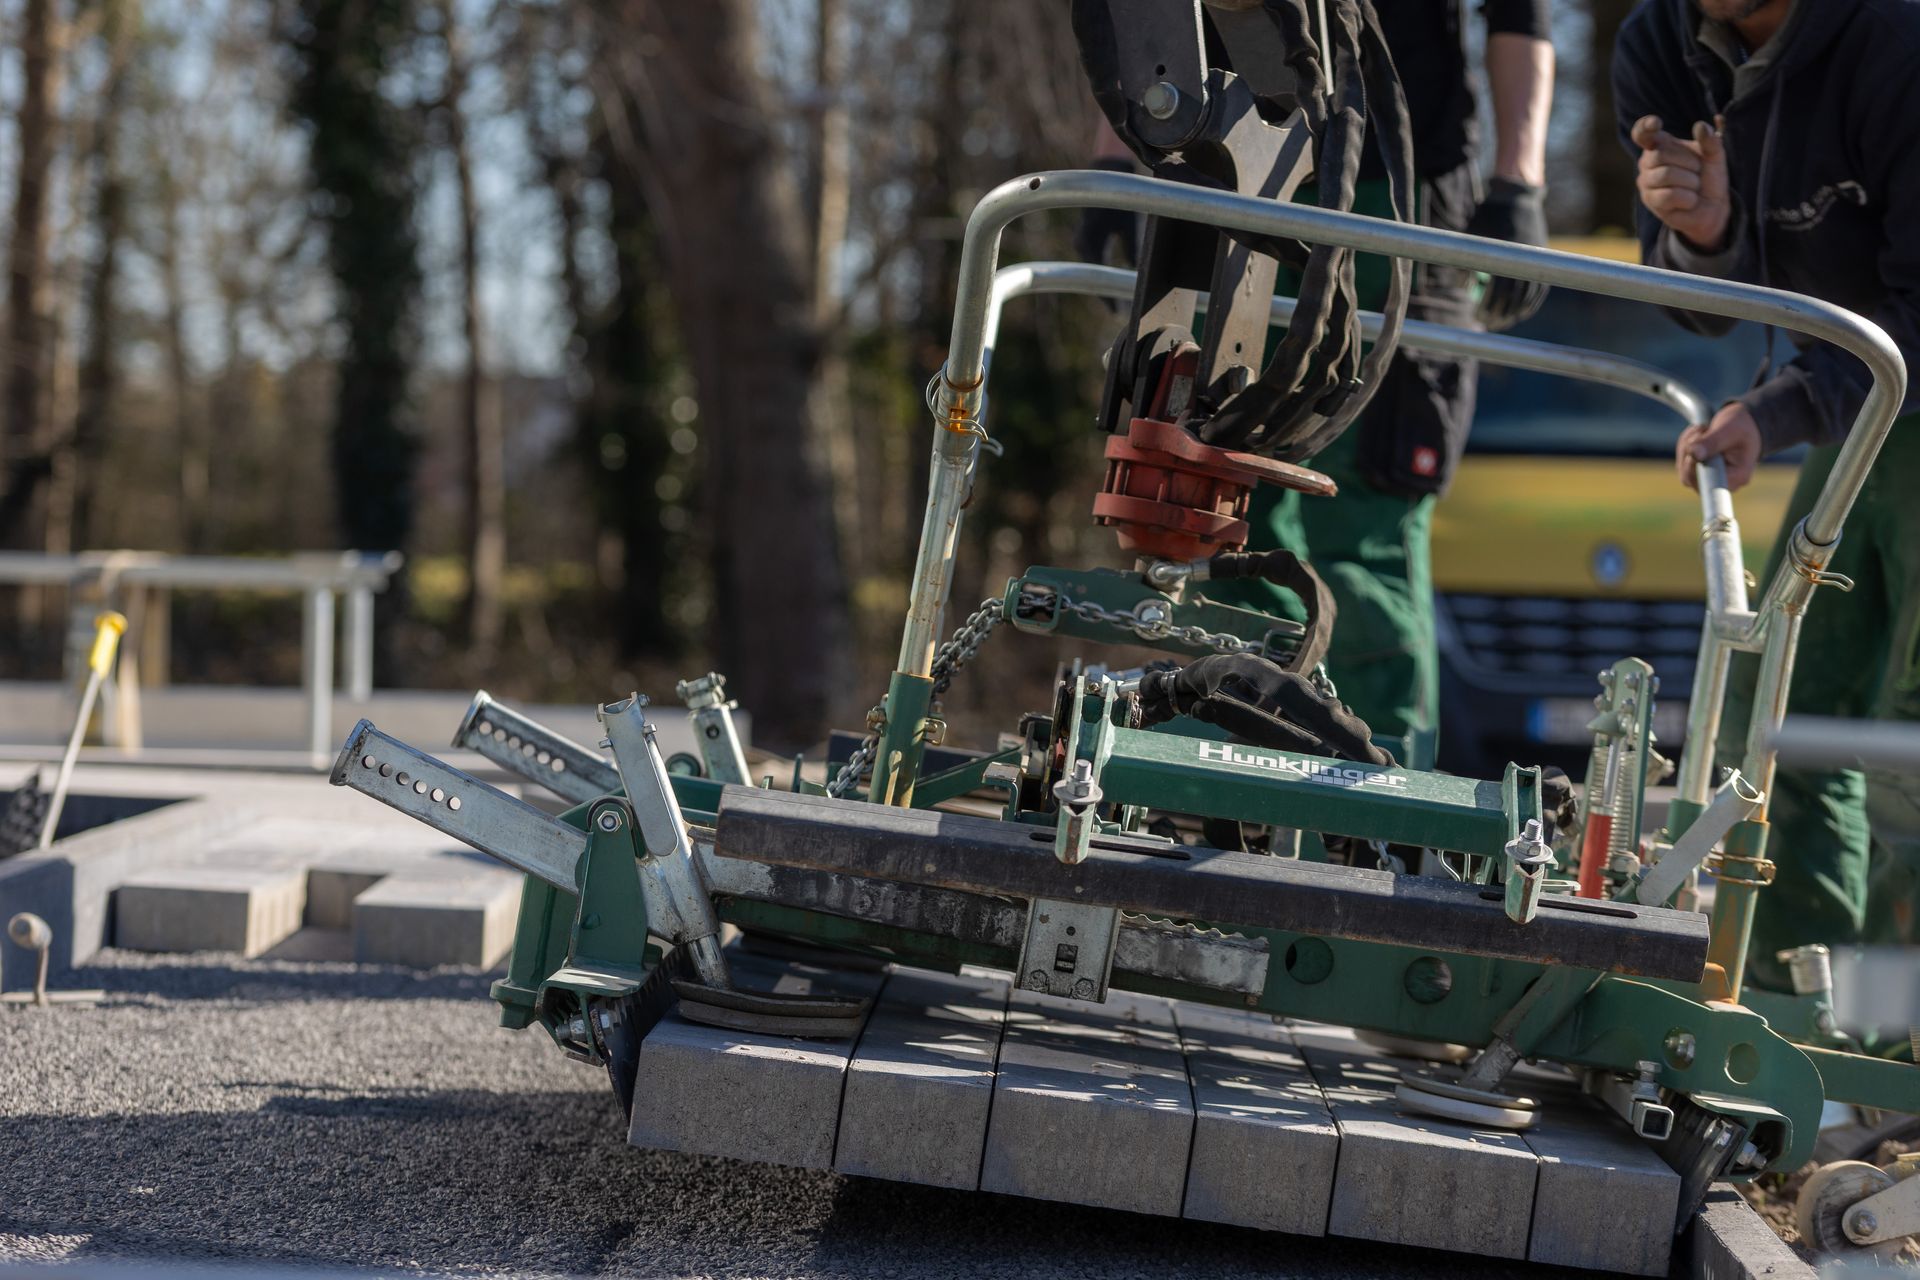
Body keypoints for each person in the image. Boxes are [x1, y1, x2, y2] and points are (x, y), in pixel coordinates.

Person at [1612, 0, 1920, 993]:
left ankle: (1901, 1041)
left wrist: (1784, 406)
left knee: (1911, 738)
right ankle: (1799, 1017)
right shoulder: (1659, 43)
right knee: (1781, 709)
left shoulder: (1899, 42)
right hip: (1876, 397)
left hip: (1883, 379)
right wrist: (1705, 237)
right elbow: (1700, 311)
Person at [1197, 0, 1556, 769]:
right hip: (1226, 161)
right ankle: (1223, 787)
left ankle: (1376, 806)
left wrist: (1519, 183)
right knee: (1219, 506)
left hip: (1398, 182)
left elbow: (1518, 12)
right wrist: (1118, 157)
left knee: (1364, 539)